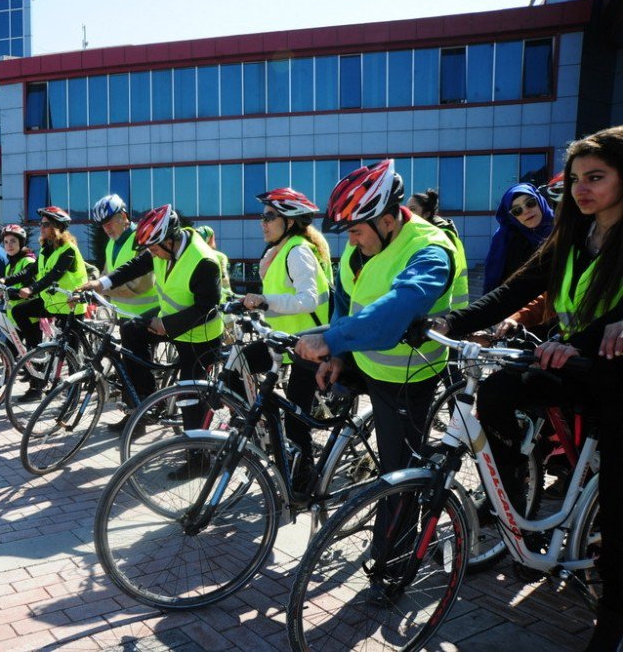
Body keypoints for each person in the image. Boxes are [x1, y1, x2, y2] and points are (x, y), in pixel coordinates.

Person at [433, 126, 623, 651]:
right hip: (578, 368)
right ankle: (520, 503)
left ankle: (608, 629)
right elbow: (514, 289)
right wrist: (453, 321)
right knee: (495, 394)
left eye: (597, 178)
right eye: (577, 179)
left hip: (613, 379)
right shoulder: (572, 238)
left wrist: (588, 337)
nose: (581, 189)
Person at [294, 160, 458, 582]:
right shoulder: (360, 239)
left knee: (399, 480)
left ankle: (397, 565)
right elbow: (345, 301)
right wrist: (337, 356)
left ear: (389, 219)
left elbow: (392, 317)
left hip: (408, 374)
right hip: (365, 358)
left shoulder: (431, 250)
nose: (350, 240)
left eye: (356, 231)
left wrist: (331, 340)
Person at [78, 204, 223, 445]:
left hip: (200, 336)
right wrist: (101, 283)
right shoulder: (162, 247)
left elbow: (207, 310)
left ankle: (197, 456)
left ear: (170, 240)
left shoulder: (203, 261)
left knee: (189, 397)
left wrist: (165, 324)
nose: (153, 254)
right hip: (171, 318)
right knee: (131, 331)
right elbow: (134, 266)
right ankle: (147, 398)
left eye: (155, 249)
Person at [240, 187, 332, 488]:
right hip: (286, 339)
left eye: (269, 216)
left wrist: (266, 301)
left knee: (297, 416)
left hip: (309, 342)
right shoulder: (280, 250)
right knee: (238, 365)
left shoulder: (298, 251)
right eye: (262, 216)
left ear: (290, 221)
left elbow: (308, 300)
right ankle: (266, 423)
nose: (262, 222)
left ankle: (305, 478)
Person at [5, 207, 88, 399]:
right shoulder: (45, 249)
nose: (41, 227)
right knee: (20, 311)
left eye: (45, 224)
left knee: (71, 352)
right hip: (51, 303)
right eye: (40, 224)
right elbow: (29, 272)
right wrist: (4, 281)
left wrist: (31, 290)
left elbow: (52, 276)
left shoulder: (68, 250)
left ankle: (73, 394)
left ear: (57, 227)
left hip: (70, 307)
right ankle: (38, 356)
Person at [91, 194, 157, 317]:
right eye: (103, 226)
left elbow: (140, 285)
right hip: (123, 316)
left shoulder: (141, 238)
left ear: (123, 216)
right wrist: (93, 286)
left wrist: (101, 288)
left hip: (148, 317)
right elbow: (106, 272)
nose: (107, 229)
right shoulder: (111, 243)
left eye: (109, 223)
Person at [483, 182, 555, 293]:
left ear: (539, 201)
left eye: (530, 203)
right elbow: (493, 283)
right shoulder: (505, 240)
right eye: (517, 210)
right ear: (512, 217)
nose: (526, 211)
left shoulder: (561, 232)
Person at [0, 224, 36, 321]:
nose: (9, 245)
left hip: (28, 318)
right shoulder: (9, 265)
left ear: (21, 243)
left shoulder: (28, 261)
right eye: (6, 242)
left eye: (13, 241)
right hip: (13, 317)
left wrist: (4, 294)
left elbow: (27, 291)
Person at [196, 225, 233, 299]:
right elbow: (224, 279)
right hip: (214, 297)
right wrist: (229, 294)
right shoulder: (220, 256)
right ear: (210, 238)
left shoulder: (187, 255)